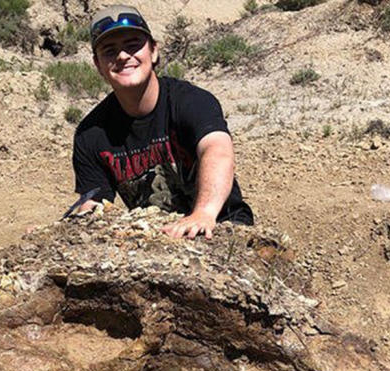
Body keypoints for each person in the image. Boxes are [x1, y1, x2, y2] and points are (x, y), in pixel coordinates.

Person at [71, 4, 253, 239]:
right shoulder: (90, 134)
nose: (123, 56)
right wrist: (61, 230)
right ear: (98, 65)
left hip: (220, 225)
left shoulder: (190, 101)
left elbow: (217, 150)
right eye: (109, 50)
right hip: (156, 237)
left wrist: (203, 214)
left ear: (154, 51)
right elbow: (94, 203)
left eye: (133, 45)